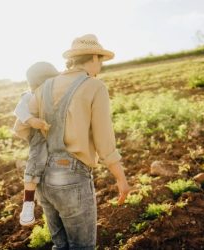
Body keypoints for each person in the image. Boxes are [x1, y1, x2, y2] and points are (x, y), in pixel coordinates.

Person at [16, 34, 131, 249]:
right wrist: (121, 179)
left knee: (61, 246)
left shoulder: (43, 87)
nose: (101, 66)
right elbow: (104, 141)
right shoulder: (95, 87)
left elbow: (20, 127)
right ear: (95, 57)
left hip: (42, 179)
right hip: (71, 179)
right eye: (101, 61)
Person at [12, 62, 58, 226]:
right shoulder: (29, 95)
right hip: (38, 134)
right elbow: (19, 111)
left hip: (53, 134)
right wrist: (32, 121)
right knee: (35, 162)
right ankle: (28, 203)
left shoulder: (57, 93)